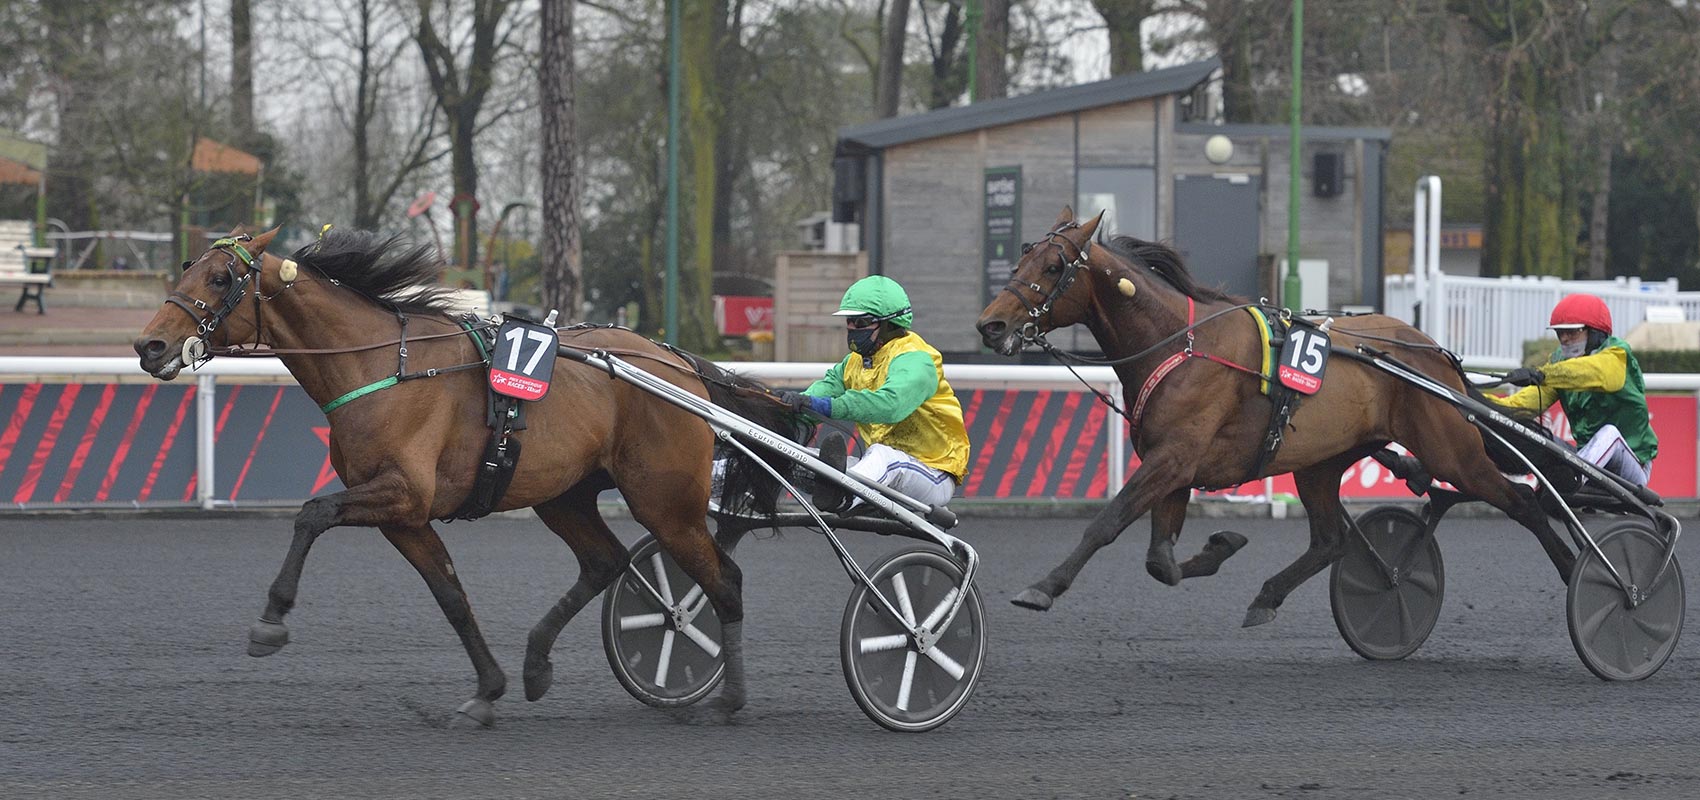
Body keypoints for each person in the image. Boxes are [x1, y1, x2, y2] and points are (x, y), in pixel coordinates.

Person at [775, 275, 970, 512]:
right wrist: (781, 407)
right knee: (784, 452)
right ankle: (724, 479)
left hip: (932, 474)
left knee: (883, 456)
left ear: (889, 324)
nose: (851, 328)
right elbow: (816, 397)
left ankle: (843, 495)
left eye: (860, 323)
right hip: (878, 474)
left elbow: (891, 406)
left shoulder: (917, 359)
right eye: (849, 321)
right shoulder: (853, 363)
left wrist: (826, 406)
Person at [1488, 293, 1657, 487]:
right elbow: (1520, 404)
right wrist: (1473, 397)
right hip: (1589, 462)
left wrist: (1541, 374)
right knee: (1541, 438)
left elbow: (1591, 371)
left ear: (1595, 333)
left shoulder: (1616, 354)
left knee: (1610, 433)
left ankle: (1574, 479)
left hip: (1631, 468)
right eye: (1560, 333)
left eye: (1572, 332)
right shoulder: (1559, 364)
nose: (1565, 339)